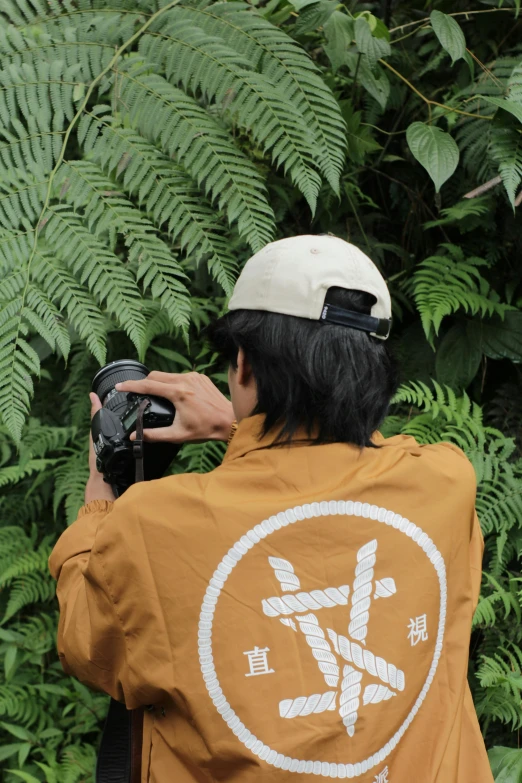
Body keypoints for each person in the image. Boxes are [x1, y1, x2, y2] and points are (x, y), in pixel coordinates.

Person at [49, 235, 493, 783]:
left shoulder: (154, 525)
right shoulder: (445, 482)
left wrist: (100, 501)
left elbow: (89, 645)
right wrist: (241, 428)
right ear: (374, 367)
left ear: (242, 363)